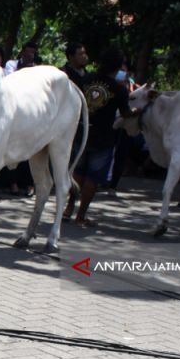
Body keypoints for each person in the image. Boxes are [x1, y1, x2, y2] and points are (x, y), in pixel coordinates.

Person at [64, 46, 130, 227]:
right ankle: (81, 215)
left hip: (82, 133)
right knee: (92, 178)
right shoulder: (120, 89)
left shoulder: (86, 79)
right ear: (117, 66)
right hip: (104, 137)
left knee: (77, 172)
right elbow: (126, 114)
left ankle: (68, 208)